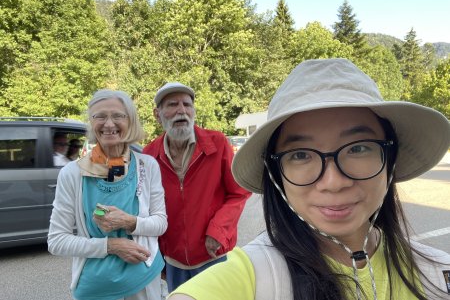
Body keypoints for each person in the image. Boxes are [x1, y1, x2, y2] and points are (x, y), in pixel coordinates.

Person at [168, 59, 450, 300]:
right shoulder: (255, 277)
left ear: (390, 158)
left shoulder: (437, 273)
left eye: (358, 148)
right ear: (276, 174)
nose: (333, 182)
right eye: (301, 154)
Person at [48, 89, 168, 300]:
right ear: (92, 122)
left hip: (144, 280)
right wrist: (111, 246)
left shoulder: (146, 166)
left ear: (130, 121)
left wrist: (129, 222)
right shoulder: (72, 173)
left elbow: (160, 223)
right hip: (97, 288)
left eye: (118, 116)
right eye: (100, 116)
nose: (109, 124)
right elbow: (57, 241)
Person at [143, 82, 252, 292]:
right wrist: (157, 254)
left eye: (187, 104)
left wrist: (218, 230)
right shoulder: (149, 155)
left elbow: (239, 192)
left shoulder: (217, 143)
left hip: (215, 255)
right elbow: (147, 209)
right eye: (172, 104)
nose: (181, 110)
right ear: (158, 114)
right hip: (173, 262)